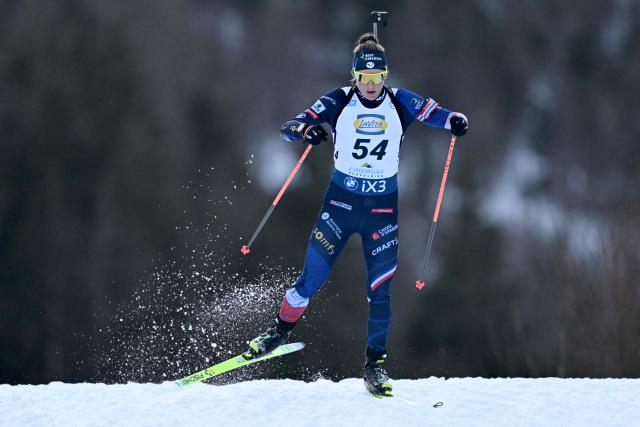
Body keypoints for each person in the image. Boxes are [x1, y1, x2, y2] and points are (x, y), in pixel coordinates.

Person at [247, 32, 468, 396]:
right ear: (354, 76)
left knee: (380, 291)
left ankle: (375, 366)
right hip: (340, 205)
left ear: (386, 75)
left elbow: (438, 114)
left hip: (382, 211)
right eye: (363, 78)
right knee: (310, 281)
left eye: (377, 77)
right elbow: (290, 127)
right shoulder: (339, 100)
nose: (370, 85)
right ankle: (278, 332)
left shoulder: (400, 101)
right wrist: (308, 130)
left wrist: (455, 120)